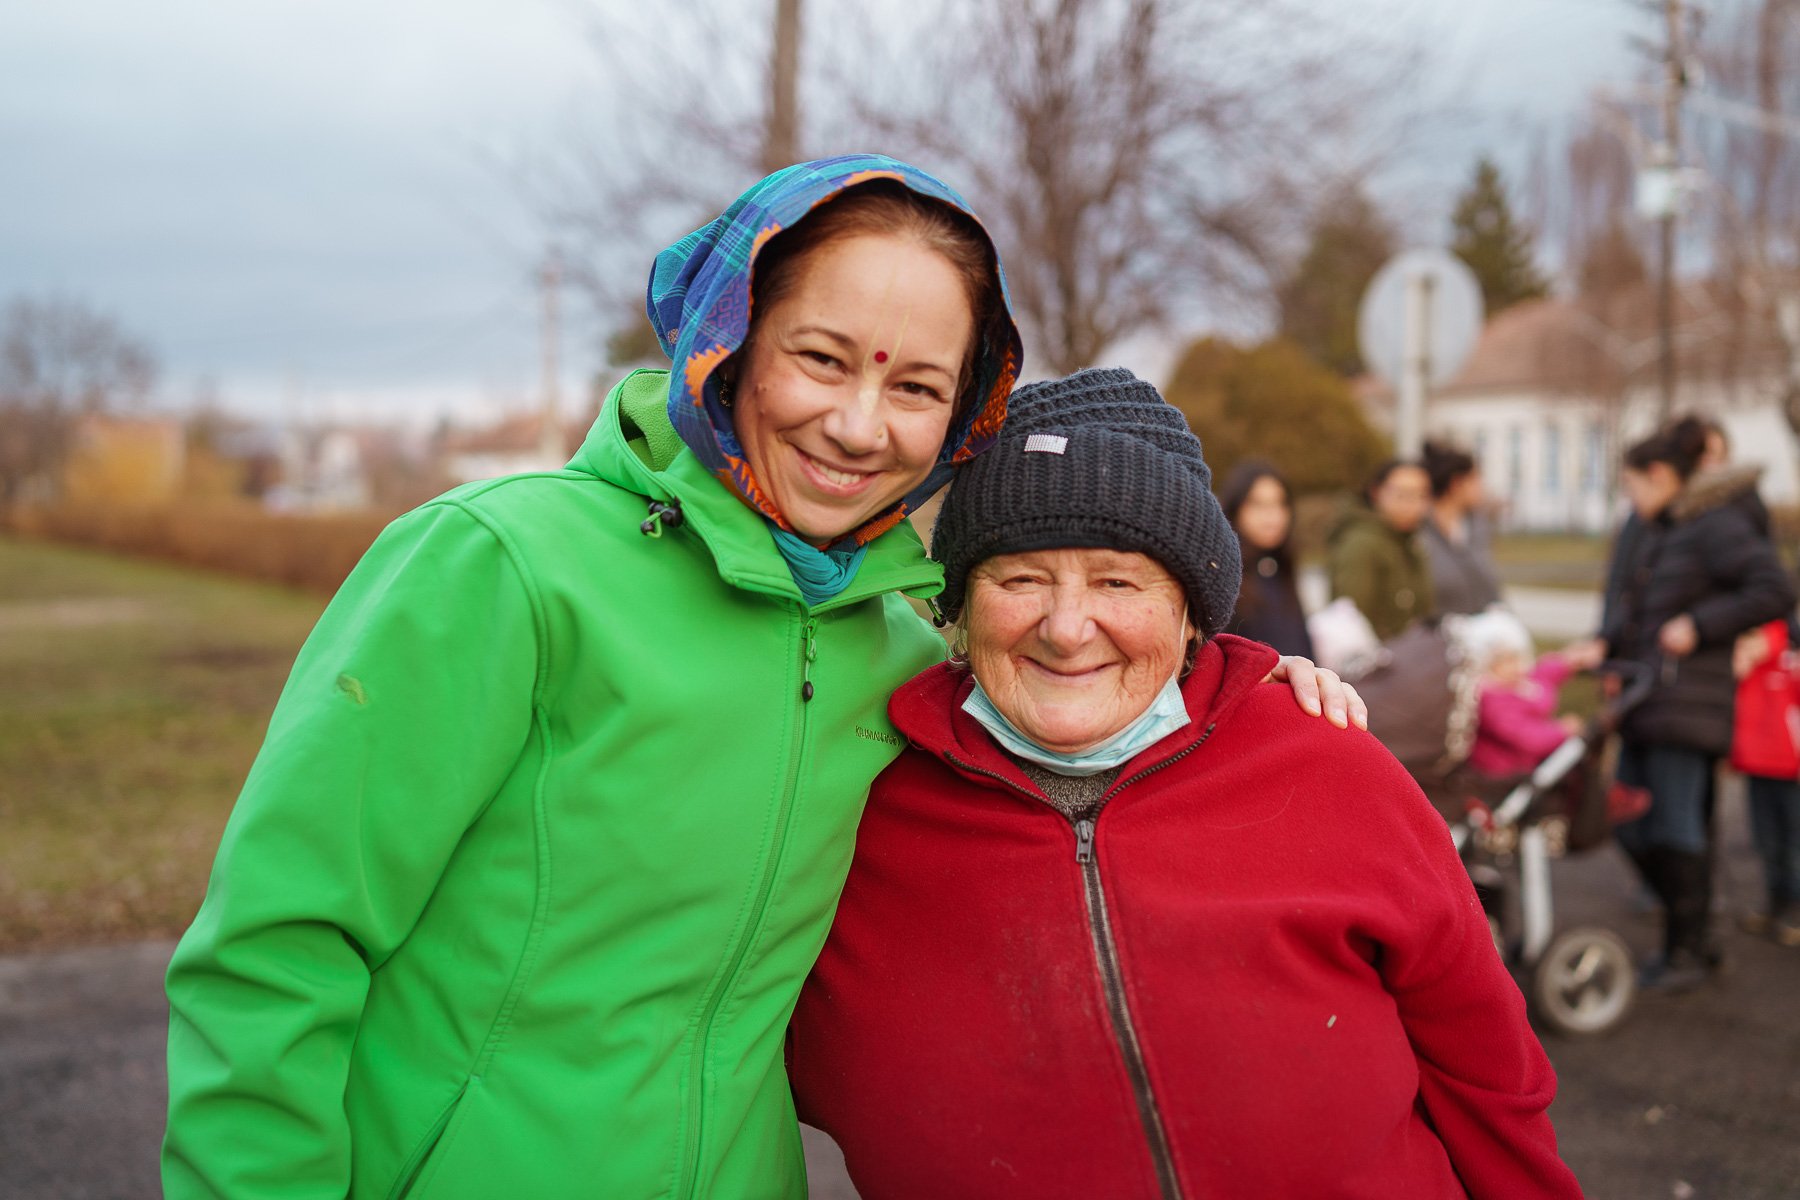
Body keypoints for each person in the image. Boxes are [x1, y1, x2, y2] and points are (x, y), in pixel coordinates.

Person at [161, 157, 1356, 1200]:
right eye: (821, 359)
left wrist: (1252, 694)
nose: (857, 424)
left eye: (916, 389)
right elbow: (278, 949)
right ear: (728, 345)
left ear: (964, 416)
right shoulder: (502, 564)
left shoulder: (898, 650)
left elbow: (1080, 710)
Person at [790, 368, 1581, 1200]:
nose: (1066, 629)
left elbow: (1492, 1080)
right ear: (956, 605)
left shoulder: (1326, 765)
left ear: (1191, 613)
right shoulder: (858, 809)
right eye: (1018, 577)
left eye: (1117, 581)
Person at [1596, 419, 1797, 991]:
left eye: (1633, 485)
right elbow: (1642, 610)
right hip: (1648, 697)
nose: (1631, 499)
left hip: (1688, 701)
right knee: (1633, 822)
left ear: (1660, 475)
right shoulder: (1666, 527)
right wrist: (1608, 650)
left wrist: (1699, 625)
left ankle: (1686, 951)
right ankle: (1698, 935)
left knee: (1673, 823)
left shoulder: (1713, 525)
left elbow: (1774, 589)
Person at [1462, 610, 1603, 778]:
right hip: (1506, 772)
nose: (1515, 666)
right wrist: (1561, 730)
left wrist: (1568, 660)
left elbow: (1541, 676)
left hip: (1527, 762)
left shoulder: (1516, 684)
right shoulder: (1492, 701)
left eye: (1516, 658)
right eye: (1505, 661)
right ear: (1487, 665)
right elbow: (1528, 738)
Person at [1730, 619, 1800, 946]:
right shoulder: (1750, 663)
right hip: (1758, 763)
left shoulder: (1787, 656)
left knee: (1793, 844)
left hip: (1791, 766)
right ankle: (1775, 905)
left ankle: (1793, 910)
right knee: (1767, 841)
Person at [1327, 457, 1436, 640]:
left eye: (1421, 495)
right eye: (1402, 494)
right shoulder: (1361, 543)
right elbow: (1352, 617)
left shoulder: (1411, 541)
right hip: (1380, 659)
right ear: (1376, 492)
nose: (1412, 504)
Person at [1218, 460, 1313, 656]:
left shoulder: (1281, 568)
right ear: (1236, 510)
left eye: (1279, 504)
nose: (1272, 515)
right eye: (1258, 504)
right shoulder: (1223, 577)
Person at [1420, 439, 1503, 615]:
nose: (1482, 487)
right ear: (1456, 484)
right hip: (1437, 632)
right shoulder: (1420, 532)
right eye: (1477, 480)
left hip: (1484, 627)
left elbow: (1489, 587)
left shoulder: (1477, 526)